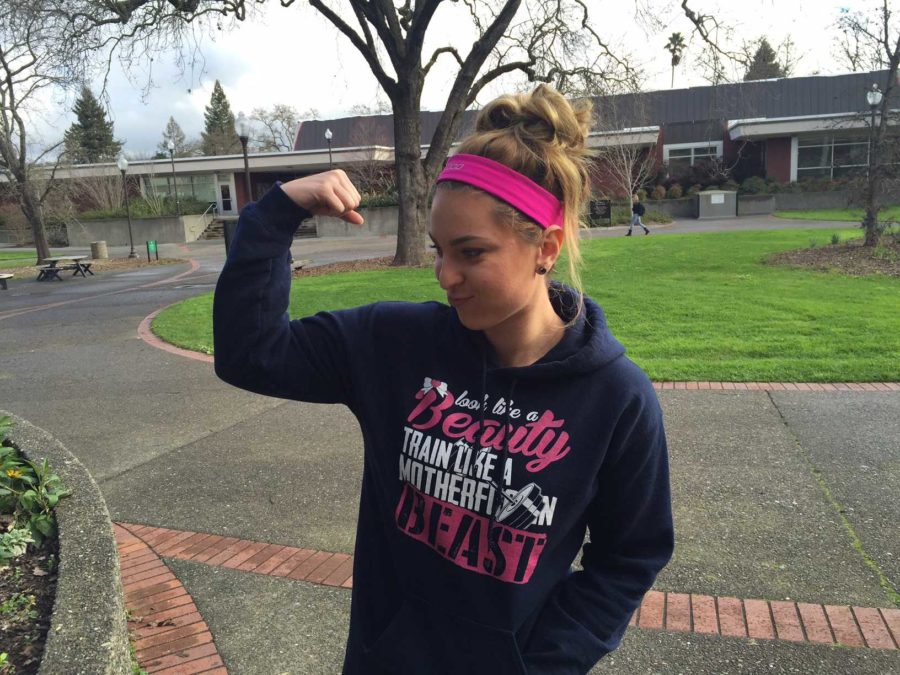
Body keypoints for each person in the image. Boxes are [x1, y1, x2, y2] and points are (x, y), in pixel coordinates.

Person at [213, 84, 673, 675]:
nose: (444, 275)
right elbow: (250, 354)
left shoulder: (616, 398)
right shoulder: (394, 345)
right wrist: (278, 211)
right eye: (437, 249)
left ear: (546, 247)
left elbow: (631, 554)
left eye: (471, 253)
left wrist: (545, 661)